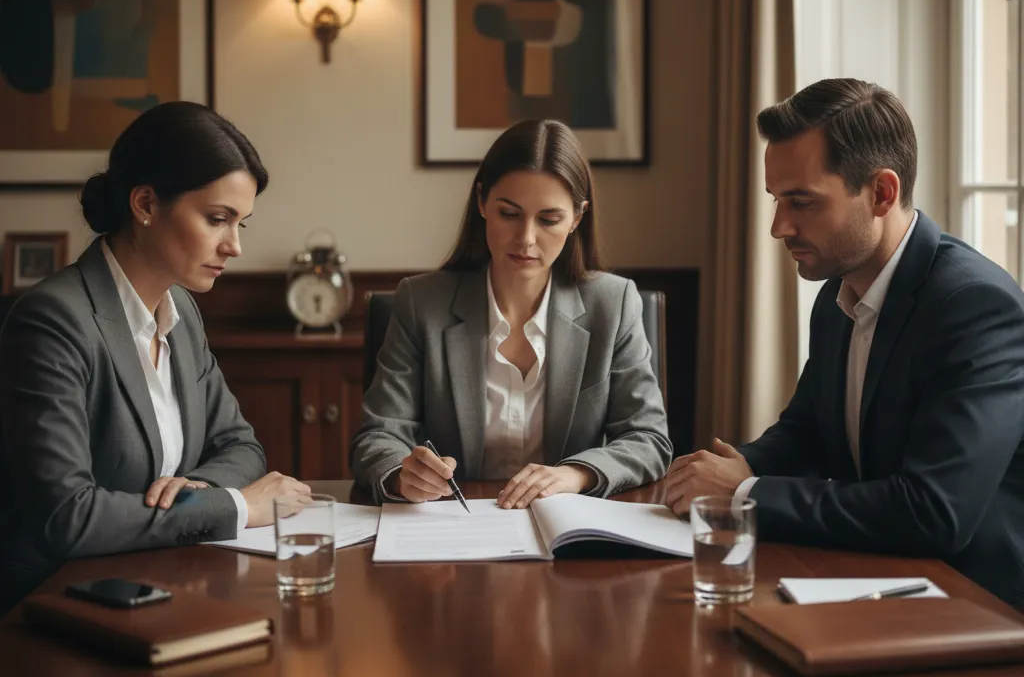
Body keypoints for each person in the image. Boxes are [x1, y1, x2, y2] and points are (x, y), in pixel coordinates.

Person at [665, 78, 1024, 605]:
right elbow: (805, 433)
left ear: (882, 193)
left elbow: (934, 512)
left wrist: (743, 493)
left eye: (801, 202)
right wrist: (732, 469)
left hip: (978, 608)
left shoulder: (975, 306)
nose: (778, 226)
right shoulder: (839, 288)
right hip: (876, 580)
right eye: (776, 200)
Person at [0, 102, 310, 612]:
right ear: (145, 203)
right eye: (217, 219)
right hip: (58, 599)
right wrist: (231, 504)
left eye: (241, 225)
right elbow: (67, 516)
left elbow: (240, 444)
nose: (234, 247)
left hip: (161, 578)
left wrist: (196, 488)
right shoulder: (53, 320)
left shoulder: (181, 309)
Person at [351, 118, 671, 508]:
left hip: (565, 530)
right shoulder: (422, 303)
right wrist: (402, 475)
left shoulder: (614, 303)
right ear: (483, 202)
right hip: (452, 530)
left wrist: (574, 474)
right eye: (509, 213)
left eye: (549, 219)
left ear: (576, 218)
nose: (526, 238)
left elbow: (648, 439)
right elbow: (378, 436)